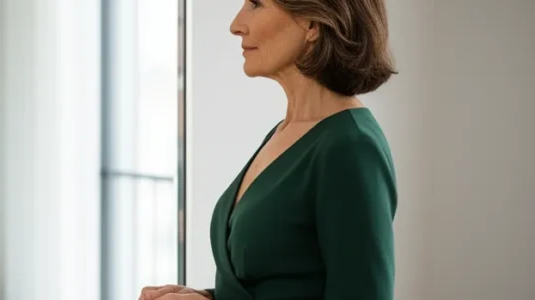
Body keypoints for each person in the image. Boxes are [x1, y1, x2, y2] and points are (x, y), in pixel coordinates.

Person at [140, 0, 398, 299]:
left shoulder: (350, 146)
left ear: (312, 24)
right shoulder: (285, 131)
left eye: (256, 4)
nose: (236, 24)